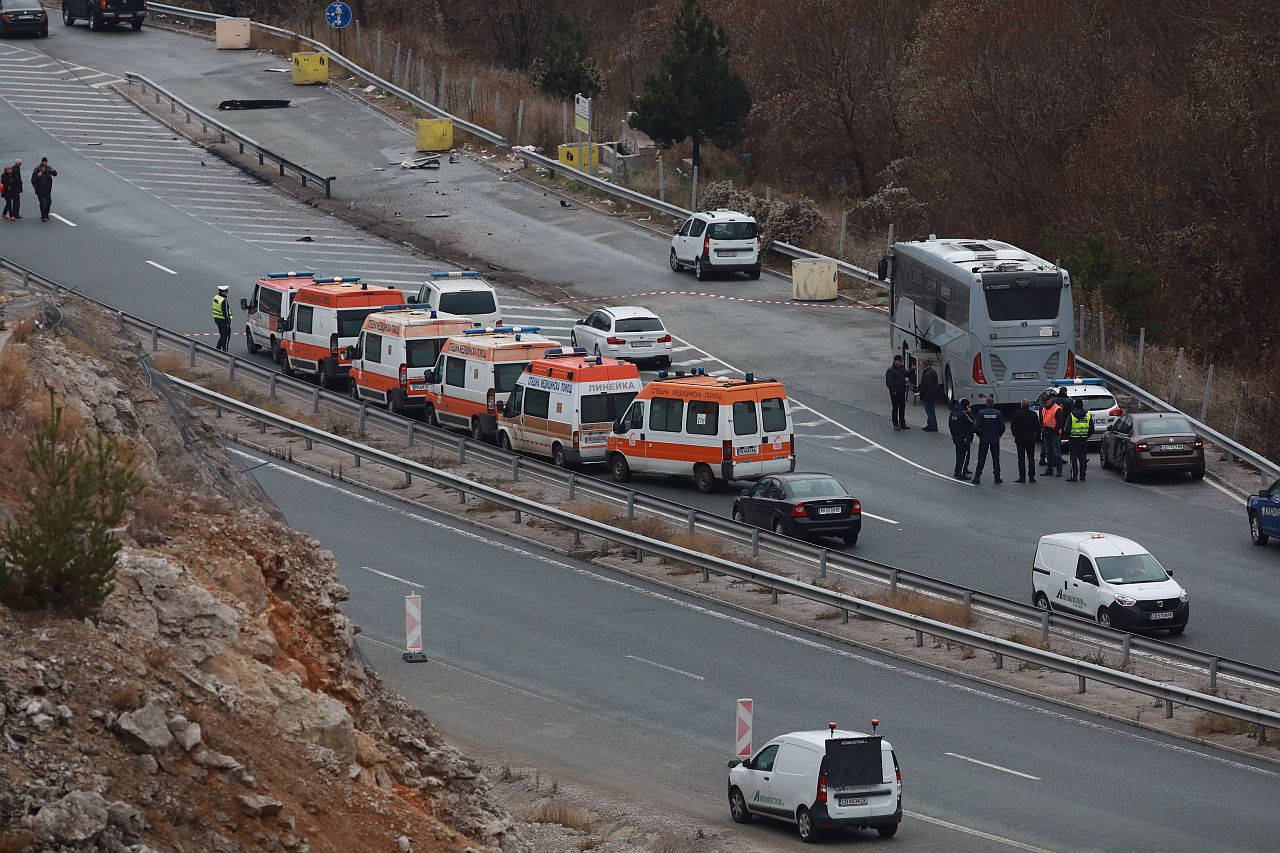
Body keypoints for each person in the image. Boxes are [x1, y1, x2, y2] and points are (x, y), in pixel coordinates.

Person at [972, 398, 1005, 484]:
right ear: (993, 403)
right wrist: (998, 435)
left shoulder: (981, 413)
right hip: (994, 439)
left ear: (986, 403)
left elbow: (976, 427)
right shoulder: (998, 413)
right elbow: (1002, 427)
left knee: (981, 459)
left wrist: (980, 435)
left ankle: (977, 477)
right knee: (996, 458)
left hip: (984, 439)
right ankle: (997, 477)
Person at [1010, 399, 1040, 483]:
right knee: (1031, 458)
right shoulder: (1033, 414)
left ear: (1021, 405)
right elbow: (1037, 428)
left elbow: (1013, 427)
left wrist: (1015, 435)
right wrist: (1038, 439)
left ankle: (1022, 477)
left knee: (1021, 458)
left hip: (1020, 439)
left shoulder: (1016, 414)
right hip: (1030, 439)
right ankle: (1031, 476)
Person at [1066, 398, 1095, 481]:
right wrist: (1086, 436)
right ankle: (1083, 476)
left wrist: (1069, 437)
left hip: (1073, 439)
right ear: (1082, 405)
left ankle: (1074, 476)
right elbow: (1092, 429)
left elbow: (1067, 428)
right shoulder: (1088, 415)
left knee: (1073, 458)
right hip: (1083, 439)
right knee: (1083, 458)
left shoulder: (1071, 415)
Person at [1040, 389, 1066, 477]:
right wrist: (1042, 430)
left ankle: (1059, 470)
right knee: (1048, 452)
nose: (1044, 404)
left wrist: (1054, 431)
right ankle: (1049, 469)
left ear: (1050, 401)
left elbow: (1060, 422)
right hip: (1046, 433)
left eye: (1045, 403)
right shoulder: (1044, 408)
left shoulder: (1057, 409)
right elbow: (1042, 420)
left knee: (1056, 452)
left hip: (1054, 434)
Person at [948, 397, 974, 479]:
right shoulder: (963, 414)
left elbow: (950, 425)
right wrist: (970, 413)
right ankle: (960, 472)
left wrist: (953, 435)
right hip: (964, 437)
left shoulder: (953, 413)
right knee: (964, 455)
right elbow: (972, 422)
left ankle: (959, 470)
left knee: (958, 454)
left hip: (956, 437)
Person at [885, 354, 910, 430]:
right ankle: (895, 423)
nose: (901, 362)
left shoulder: (902, 368)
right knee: (895, 408)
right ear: (895, 361)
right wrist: (894, 391)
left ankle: (902, 423)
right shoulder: (890, 370)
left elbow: (906, 374)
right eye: (900, 361)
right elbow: (889, 382)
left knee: (902, 407)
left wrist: (912, 370)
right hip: (895, 392)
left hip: (902, 391)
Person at [918, 360, 943, 431]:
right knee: (931, 410)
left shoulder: (927, 374)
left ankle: (932, 426)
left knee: (929, 410)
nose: (920, 366)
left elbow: (925, 385)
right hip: (932, 394)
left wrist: (921, 392)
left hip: (929, 395)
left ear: (923, 365)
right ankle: (931, 424)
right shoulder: (932, 371)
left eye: (921, 365)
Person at [30, 158, 56, 223]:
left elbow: (55, 174)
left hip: (47, 189)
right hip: (40, 190)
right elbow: (33, 180)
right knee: (42, 203)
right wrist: (38, 176)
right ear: (40, 168)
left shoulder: (48, 169)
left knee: (49, 202)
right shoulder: (36, 170)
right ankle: (43, 217)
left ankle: (46, 214)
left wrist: (54, 171)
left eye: (45, 162)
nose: (44, 169)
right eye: (42, 168)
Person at [212, 285, 233, 352]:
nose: (227, 292)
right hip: (223, 320)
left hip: (217, 319)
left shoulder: (216, 298)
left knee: (223, 335)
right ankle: (225, 351)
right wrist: (228, 321)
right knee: (226, 336)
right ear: (222, 292)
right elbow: (226, 313)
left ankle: (218, 349)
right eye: (226, 291)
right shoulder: (223, 301)